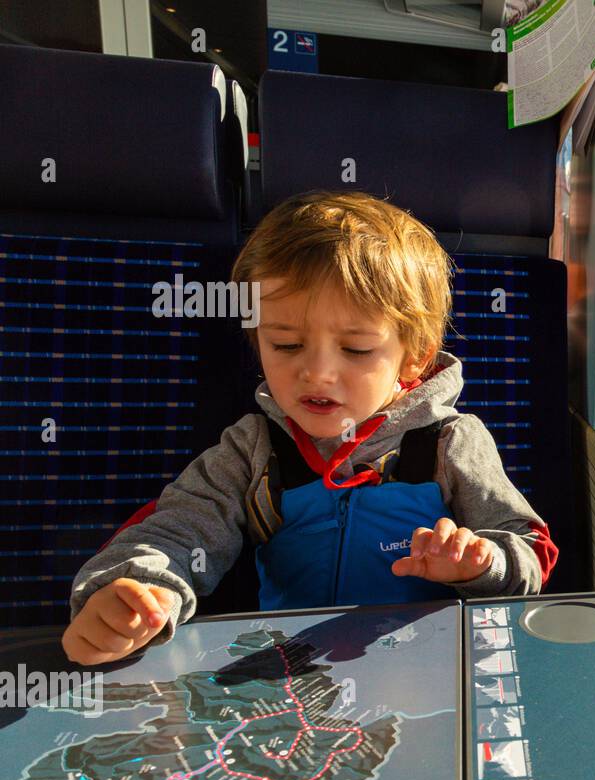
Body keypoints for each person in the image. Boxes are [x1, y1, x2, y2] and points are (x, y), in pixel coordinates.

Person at [63, 191, 556, 666]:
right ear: (257, 343)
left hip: (428, 669)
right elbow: (176, 534)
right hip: (287, 673)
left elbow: (529, 552)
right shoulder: (252, 450)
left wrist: (480, 562)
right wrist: (137, 593)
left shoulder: (450, 443)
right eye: (286, 345)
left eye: (356, 350)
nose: (317, 373)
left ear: (415, 357)